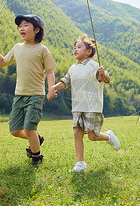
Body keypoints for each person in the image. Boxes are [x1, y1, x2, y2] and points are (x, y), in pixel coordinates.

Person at [0, 14, 57, 165]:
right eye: (19, 26)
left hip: (36, 95)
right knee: (15, 130)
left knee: (29, 128)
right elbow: (3, 62)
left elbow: (50, 71)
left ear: (36, 29)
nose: (21, 28)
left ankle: (36, 157)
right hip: (19, 95)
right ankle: (38, 139)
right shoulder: (17, 48)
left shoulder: (42, 50)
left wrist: (51, 88)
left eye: (25, 25)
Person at [49, 34, 120, 173]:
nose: (75, 50)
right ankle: (80, 164)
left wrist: (103, 73)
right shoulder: (72, 68)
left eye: (79, 47)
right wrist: (53, 87)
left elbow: (107, 79)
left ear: (89, 51)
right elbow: (65, 82)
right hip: (77, 107)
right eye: (74, 47)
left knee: (93, 136)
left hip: (92, 107)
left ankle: (109, 137)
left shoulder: (95, 66)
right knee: (77, 134)